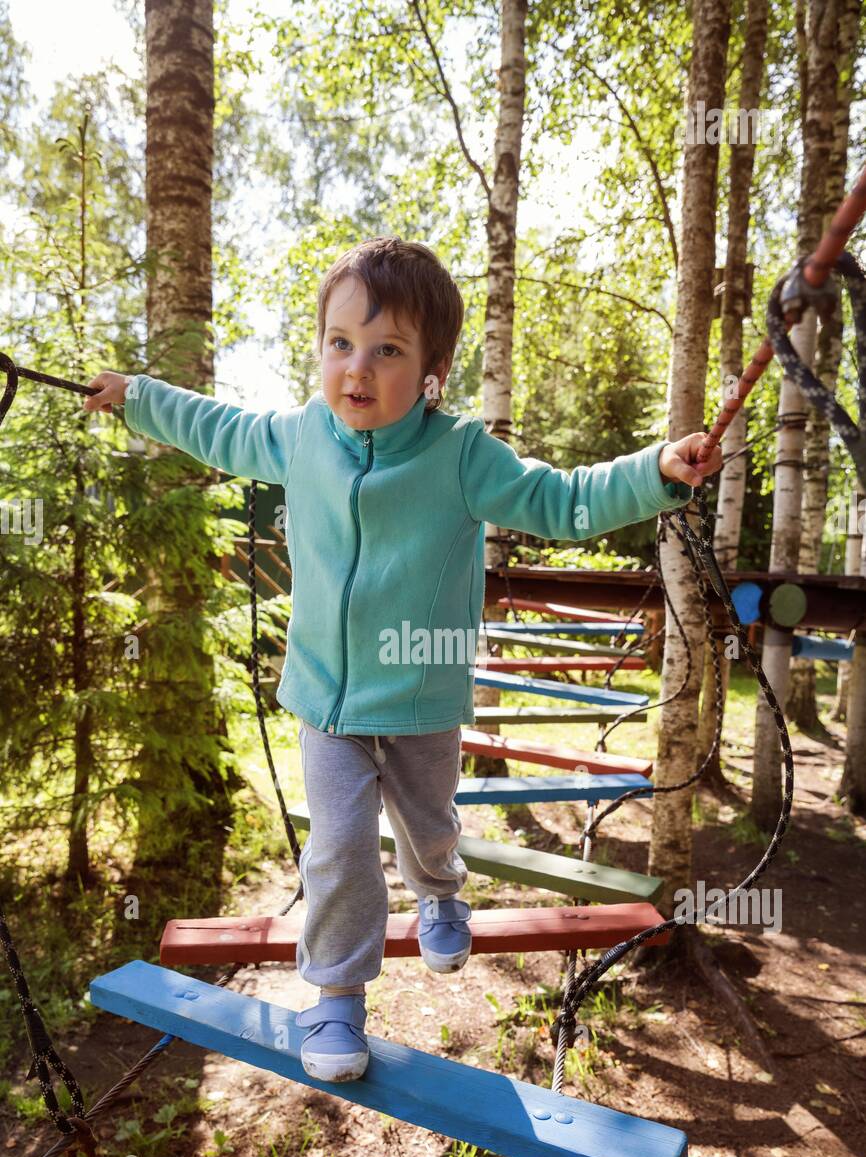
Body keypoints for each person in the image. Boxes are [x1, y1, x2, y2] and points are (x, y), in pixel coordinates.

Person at [84, 235, 722, 1084]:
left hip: (422, 699)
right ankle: (337, 997)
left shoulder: (460, 455)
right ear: (318, 349)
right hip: (326, 702)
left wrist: (656, 472)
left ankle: (442, 893)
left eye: (387, 351)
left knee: (428, 826)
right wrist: (136, 398)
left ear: (432, 370)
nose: (358, 367)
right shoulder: (299, 437)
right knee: (340, 845)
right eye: (340, 343)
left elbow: (562, 499)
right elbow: (214, 426)